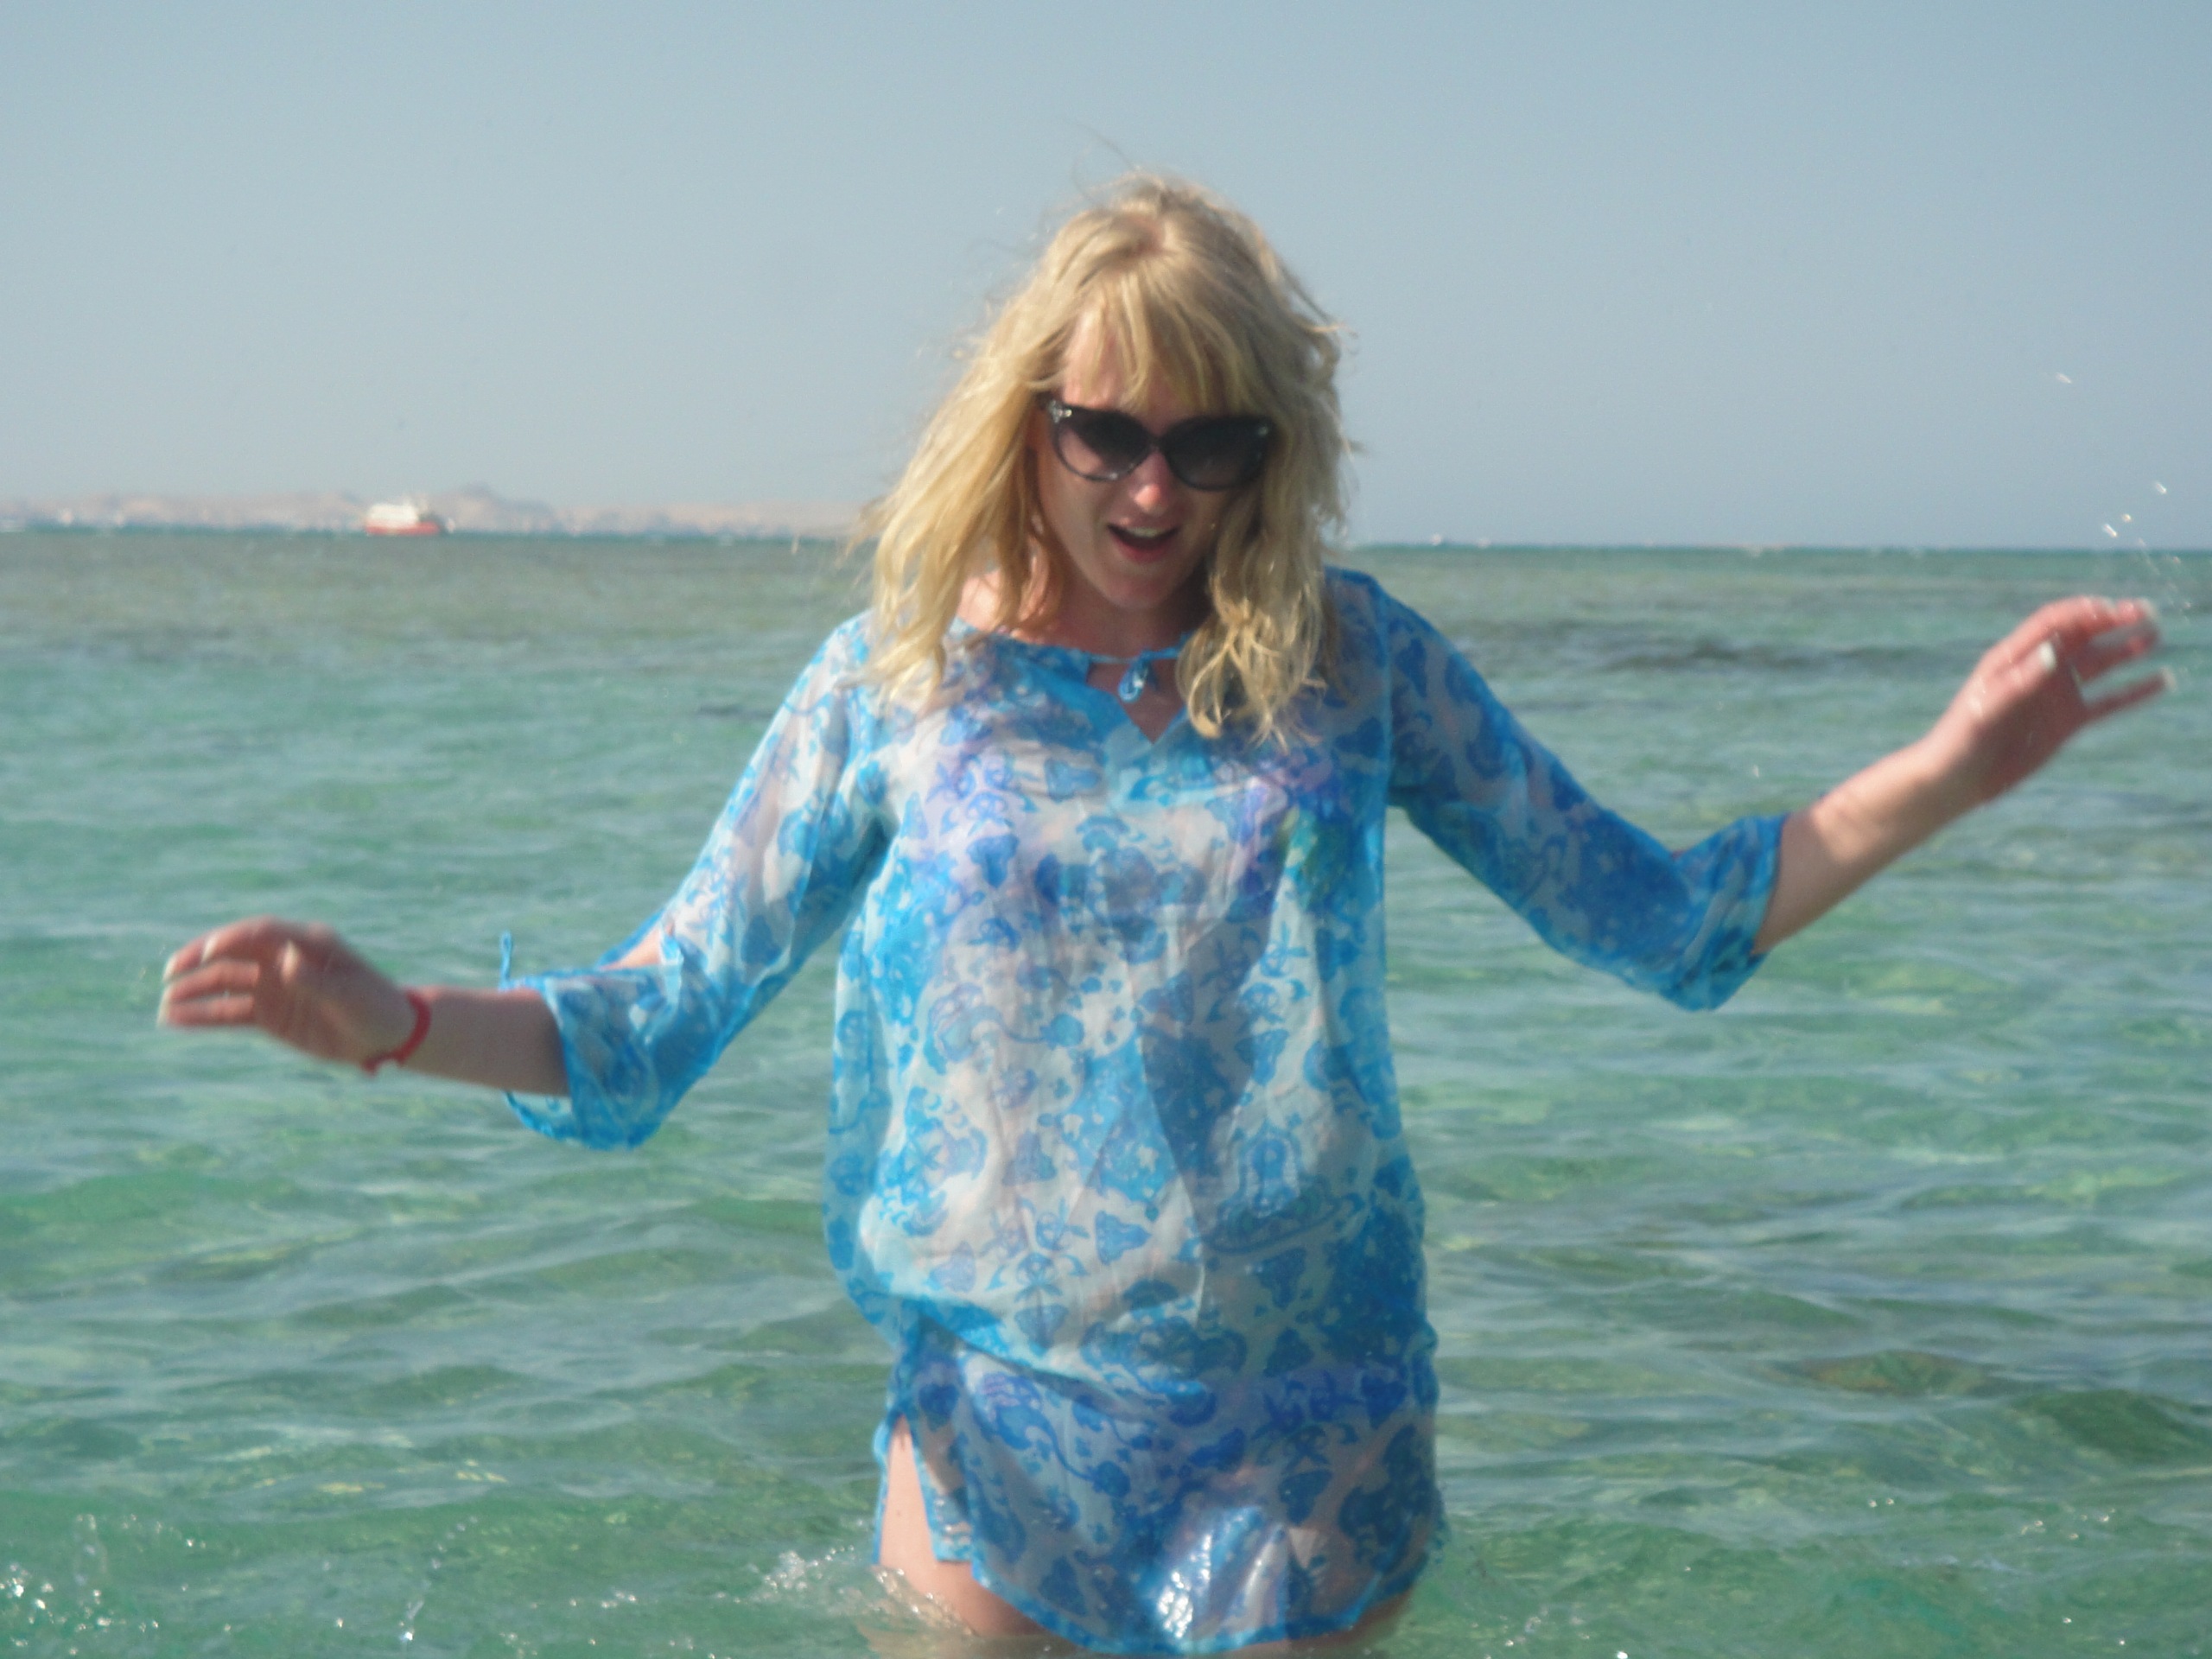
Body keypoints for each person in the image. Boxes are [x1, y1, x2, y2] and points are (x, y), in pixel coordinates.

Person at [159, 175, 2166, 1656]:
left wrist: (1940, 772)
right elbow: (643, 1025)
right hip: (996, 1430)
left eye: (1205, 444)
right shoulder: (894, 692)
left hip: (1313, 1436)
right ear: (1023, 419)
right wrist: (390, 1023)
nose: (1147, 491)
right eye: (1101, 433)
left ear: (1264, 454)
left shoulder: (1352, 667)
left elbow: (1662, 918)